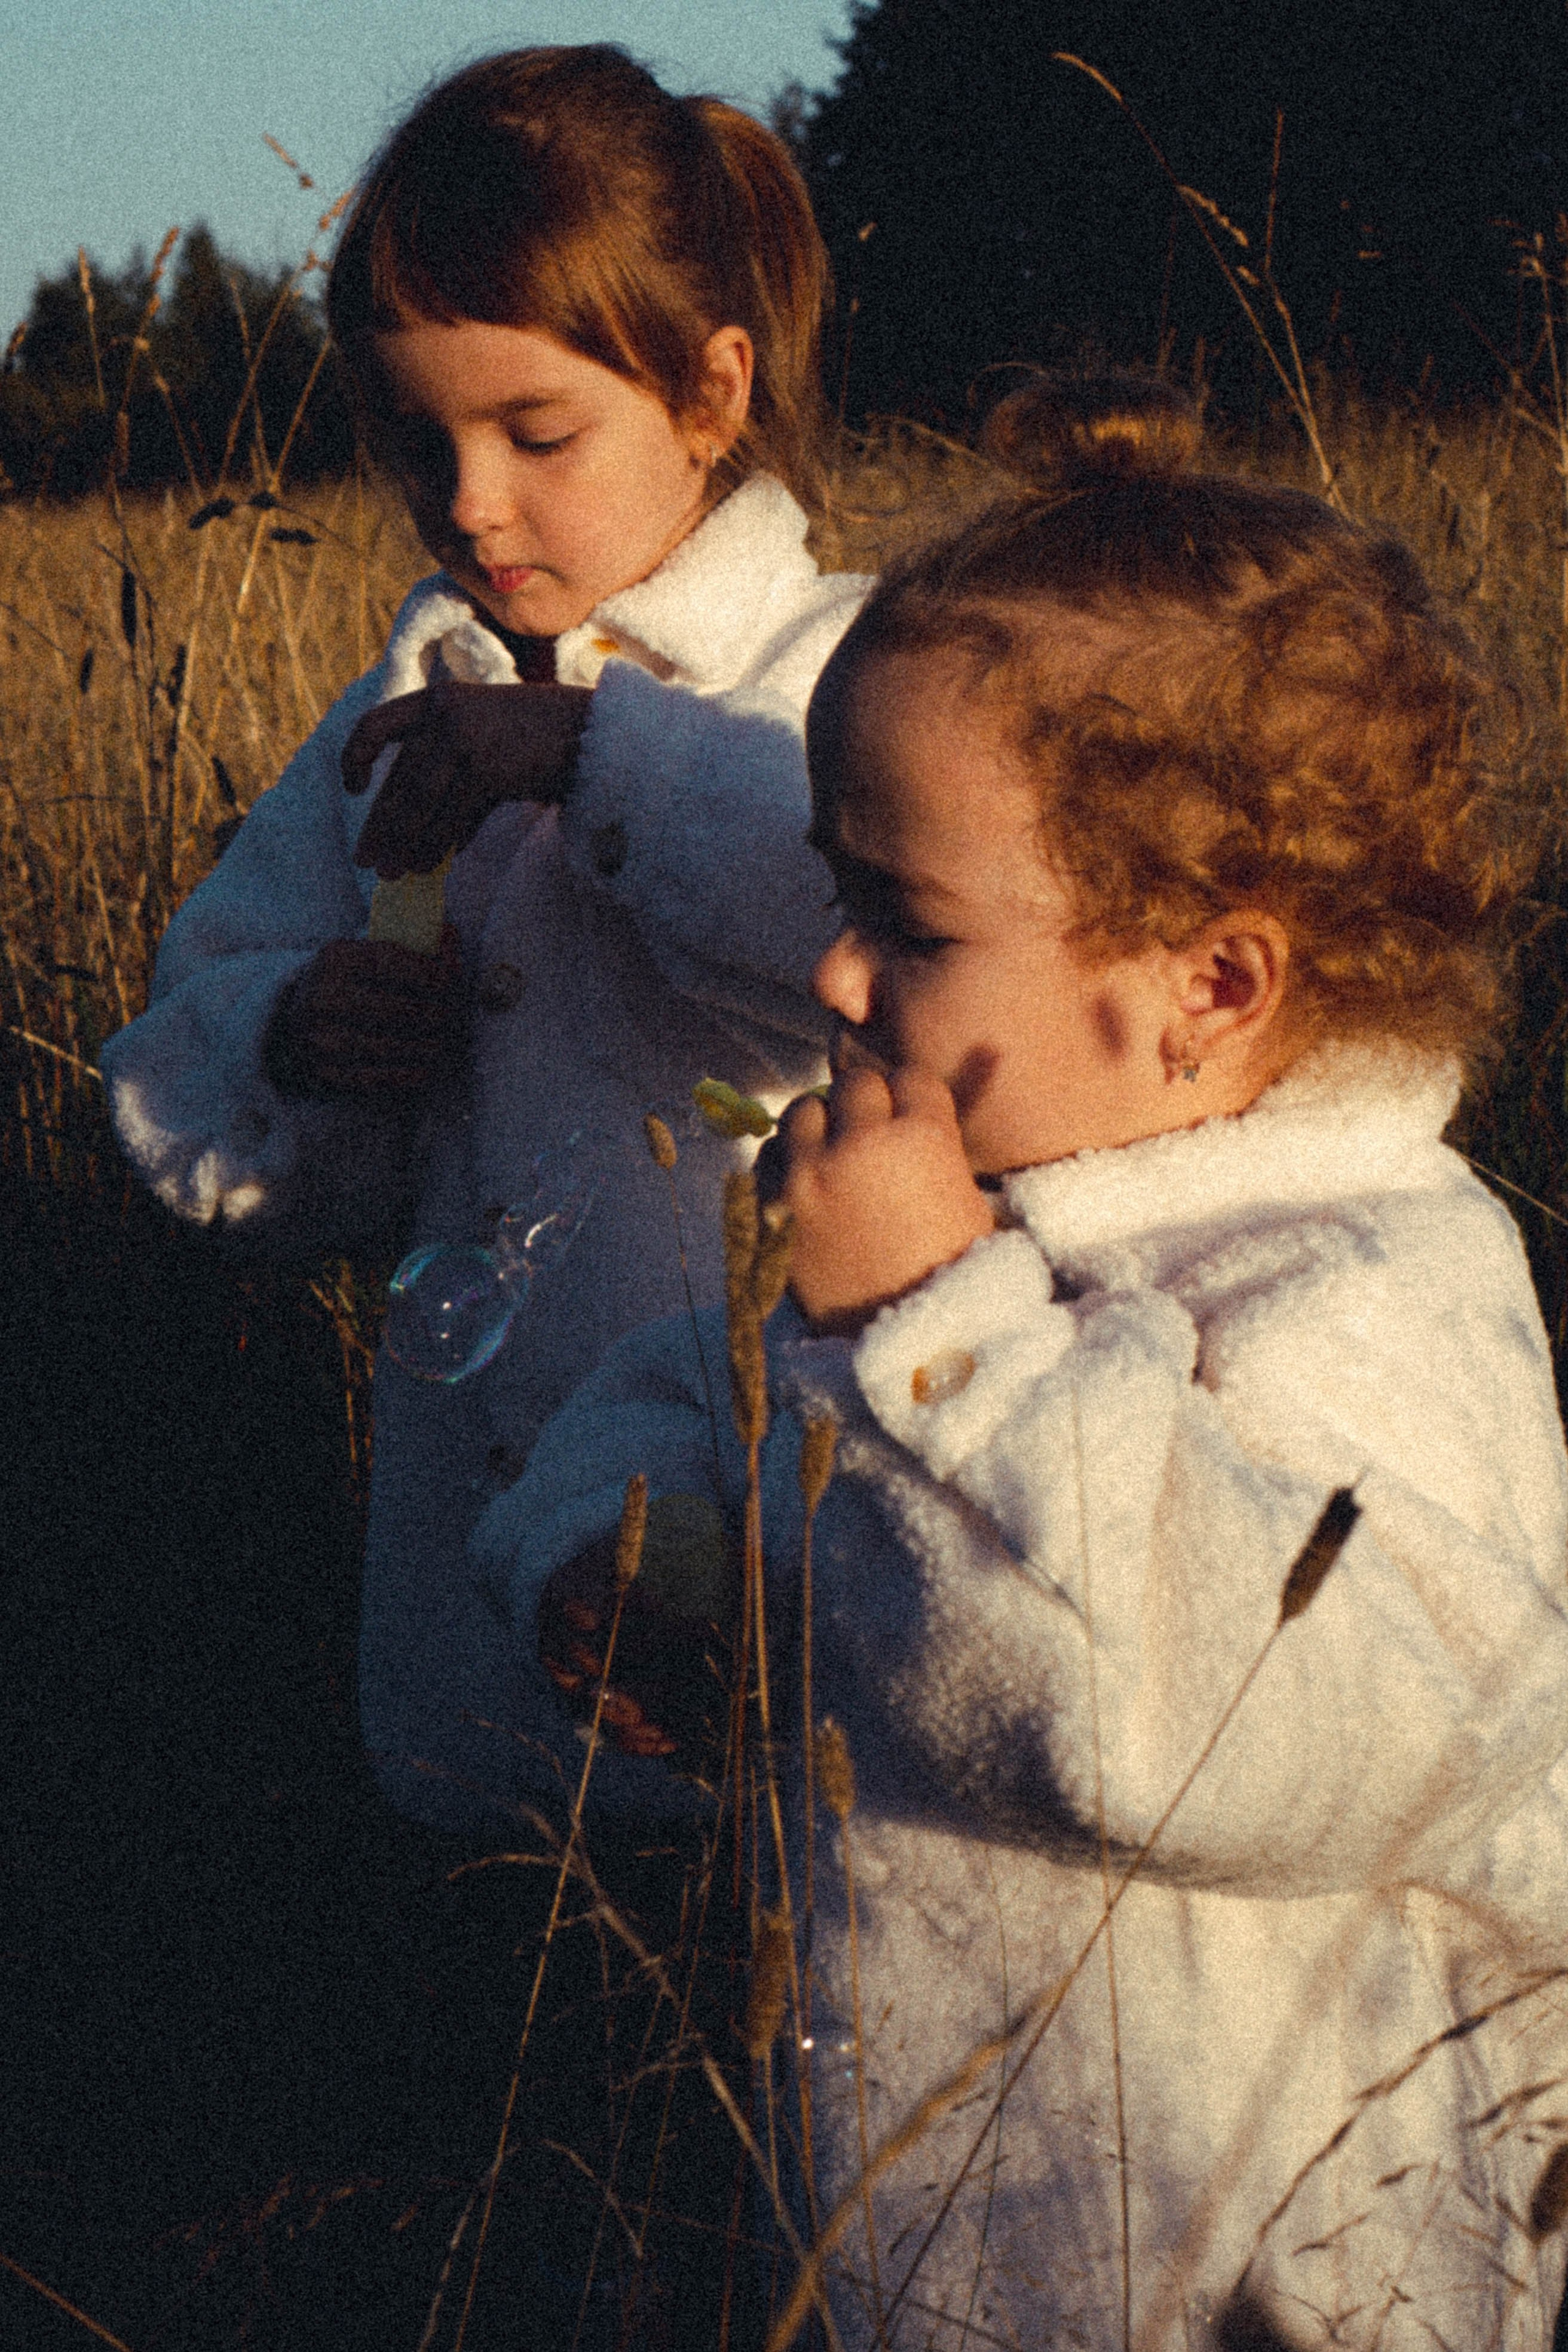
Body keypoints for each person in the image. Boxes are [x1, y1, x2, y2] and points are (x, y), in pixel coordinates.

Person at [479, 431, 1568, 2346]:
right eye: (838, 895)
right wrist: (616, 1548)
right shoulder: (985, 1202)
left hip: (1272, 2272)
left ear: (1214, 984)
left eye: (911, 925)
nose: (834, 975)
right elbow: (716, 1392)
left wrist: (941, 1324)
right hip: (943, 2224)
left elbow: (1215, 1726)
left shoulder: (1370, 1294)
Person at [99, 45, 870, 1833]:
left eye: (536, 434)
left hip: (782, 1600)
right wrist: (293, 1037)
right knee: (496, 1949)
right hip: (479, 1680)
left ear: (712, 391)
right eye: (418, 439)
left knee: (746, 1925)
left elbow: (876, 934)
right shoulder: (399, 713)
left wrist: (595, 755)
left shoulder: (852, 674)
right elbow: (171, 1063)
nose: (466, 501)